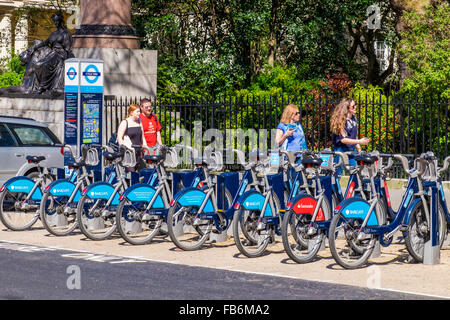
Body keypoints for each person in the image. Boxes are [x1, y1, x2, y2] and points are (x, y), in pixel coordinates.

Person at [330, 97, 370, 174]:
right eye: (353, 106)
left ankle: (353, 186)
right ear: (347, 108)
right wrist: (359, 141)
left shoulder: (354, 118)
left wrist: (359, 148)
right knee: (337, 173)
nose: (355, 107)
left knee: (356, 171)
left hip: (351, 149)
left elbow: (354, 135)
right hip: (340, 150)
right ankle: (334, 185)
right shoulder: (341, 120)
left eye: (355, 105)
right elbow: (343, 139)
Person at [117, 104, 147, 171]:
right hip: (129, 152)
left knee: (140, 173)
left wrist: (145, 146)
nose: (139, 113)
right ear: (131, 113)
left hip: (138, 152)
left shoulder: (139, 121)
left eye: (139, 111)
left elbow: (142, 135)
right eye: (137, 112)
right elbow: (119, 137)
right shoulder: (125, 122)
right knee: (131, 173)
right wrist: (123, 148)